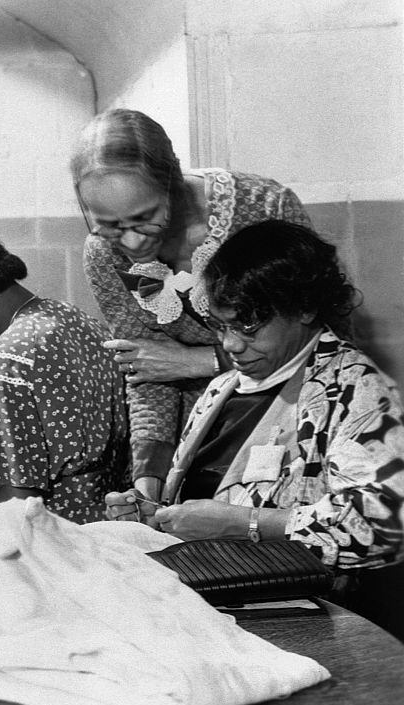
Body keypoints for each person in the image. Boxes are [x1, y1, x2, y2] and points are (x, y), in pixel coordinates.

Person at [105, 220, 404, 637]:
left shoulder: (354, 389)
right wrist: (154, 515)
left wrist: (246, 523)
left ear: (305, 308)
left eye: (248, 326)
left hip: (308, 621)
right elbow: (204, 503)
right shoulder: (222, 389)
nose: (230, 345)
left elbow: (384, 525)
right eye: (220, 326)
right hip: (212, 607)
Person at [71, 108, 313, 502]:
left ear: (172, 180)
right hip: (195, 435)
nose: (131, 242)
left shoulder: (265, 208)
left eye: (144, 217)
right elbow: (148, 370)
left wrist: (200, 361)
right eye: (110, 225)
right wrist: (148, 480)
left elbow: (314, 337)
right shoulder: (104, 253)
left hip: (291, 417)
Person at [0, 226, 129, 524]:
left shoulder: (4, 361)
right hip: (115, 522)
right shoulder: (80, 321)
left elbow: (16, 510)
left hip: (56, 533)